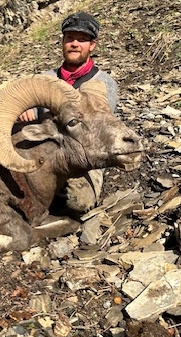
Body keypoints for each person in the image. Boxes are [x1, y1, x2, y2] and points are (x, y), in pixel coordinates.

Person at [19, 11, 118, 212]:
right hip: (47, 148)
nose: (74, 44)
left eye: (82, 40)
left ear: (92, 45)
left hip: (84, 155)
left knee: (78, 201)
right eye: (70, 38)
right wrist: (24, 109)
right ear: (63, 42)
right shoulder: (45, 79)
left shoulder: (104, 83)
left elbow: (99, 130)